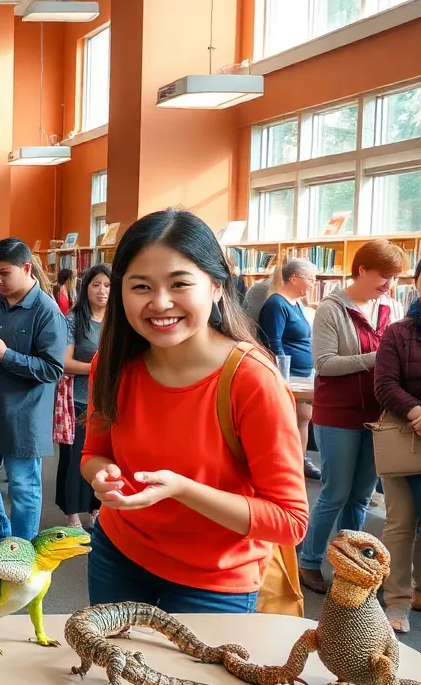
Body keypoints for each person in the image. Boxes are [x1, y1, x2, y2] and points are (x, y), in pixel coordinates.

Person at [81, 209, 307, 613]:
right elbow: (93, 454)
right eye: (141, 286)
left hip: (214, 580)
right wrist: (102, 475)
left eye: (180, 283)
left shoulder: (251, 380)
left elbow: (289, 521)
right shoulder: (112, 363)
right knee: (110, 672)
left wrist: (184, 490)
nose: (160, 302)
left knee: (191, 680)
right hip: (117, 554)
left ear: (217, 286)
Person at [299, 239, 407, 594]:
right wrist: (381, 357)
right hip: (338, 415)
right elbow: (325, 364)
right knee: (335, 492)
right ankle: (309, 562)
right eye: (384, 275)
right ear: (361, 269)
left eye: (394, 277)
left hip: (379, 417)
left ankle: (350, 566)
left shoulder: (390, 305)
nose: (389, 284)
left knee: (361, 497)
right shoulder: (331, 309)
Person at [0, 238, 66, 561]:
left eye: (5, 274)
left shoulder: (47, 313)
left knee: (23, 489)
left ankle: (22, 555)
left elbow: (52, 370)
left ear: (26, 268)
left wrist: (6, 356)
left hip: (24, 418)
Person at [374, 259, 421, 632]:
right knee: (400, 523)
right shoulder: (398, 332)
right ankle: (398, 601)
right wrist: (417, 412)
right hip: (404, 437)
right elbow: (385, 384)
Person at [56, 263, 110, 528]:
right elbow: (65, 363)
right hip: (78, 399)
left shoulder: (119, 321)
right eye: (96, 285)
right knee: (76, 456)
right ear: (86, 287)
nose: (102, 292)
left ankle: (96, 508)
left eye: (108, 286)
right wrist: (99, 369)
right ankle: (72, 513)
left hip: (110, 400)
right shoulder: (74, 318)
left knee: (105, 456)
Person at [258, 257, 320, 481]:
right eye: (311, 279)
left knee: (304, 418)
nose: (313, 284)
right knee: (284, 422)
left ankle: (299, 462)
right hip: (288, 376)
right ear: (294, 279)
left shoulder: (298, 305)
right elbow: (272, 341)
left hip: (304, 373)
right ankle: (282, 467)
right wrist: (281, 374)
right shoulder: (276, 304)